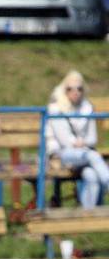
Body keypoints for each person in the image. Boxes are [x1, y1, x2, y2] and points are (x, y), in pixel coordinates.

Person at [46, 70, 109, 209]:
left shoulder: (87, 107)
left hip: (83, 155)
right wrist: (82, 143)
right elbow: (65, 142)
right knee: (92, 155)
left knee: (91, 175)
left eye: (79, 89)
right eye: (70, 89)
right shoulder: (56, 108)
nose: (75, 92)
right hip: (61, 155)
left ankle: (89, 218)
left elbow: (93, 139)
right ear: (64, 90)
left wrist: (83, 143)